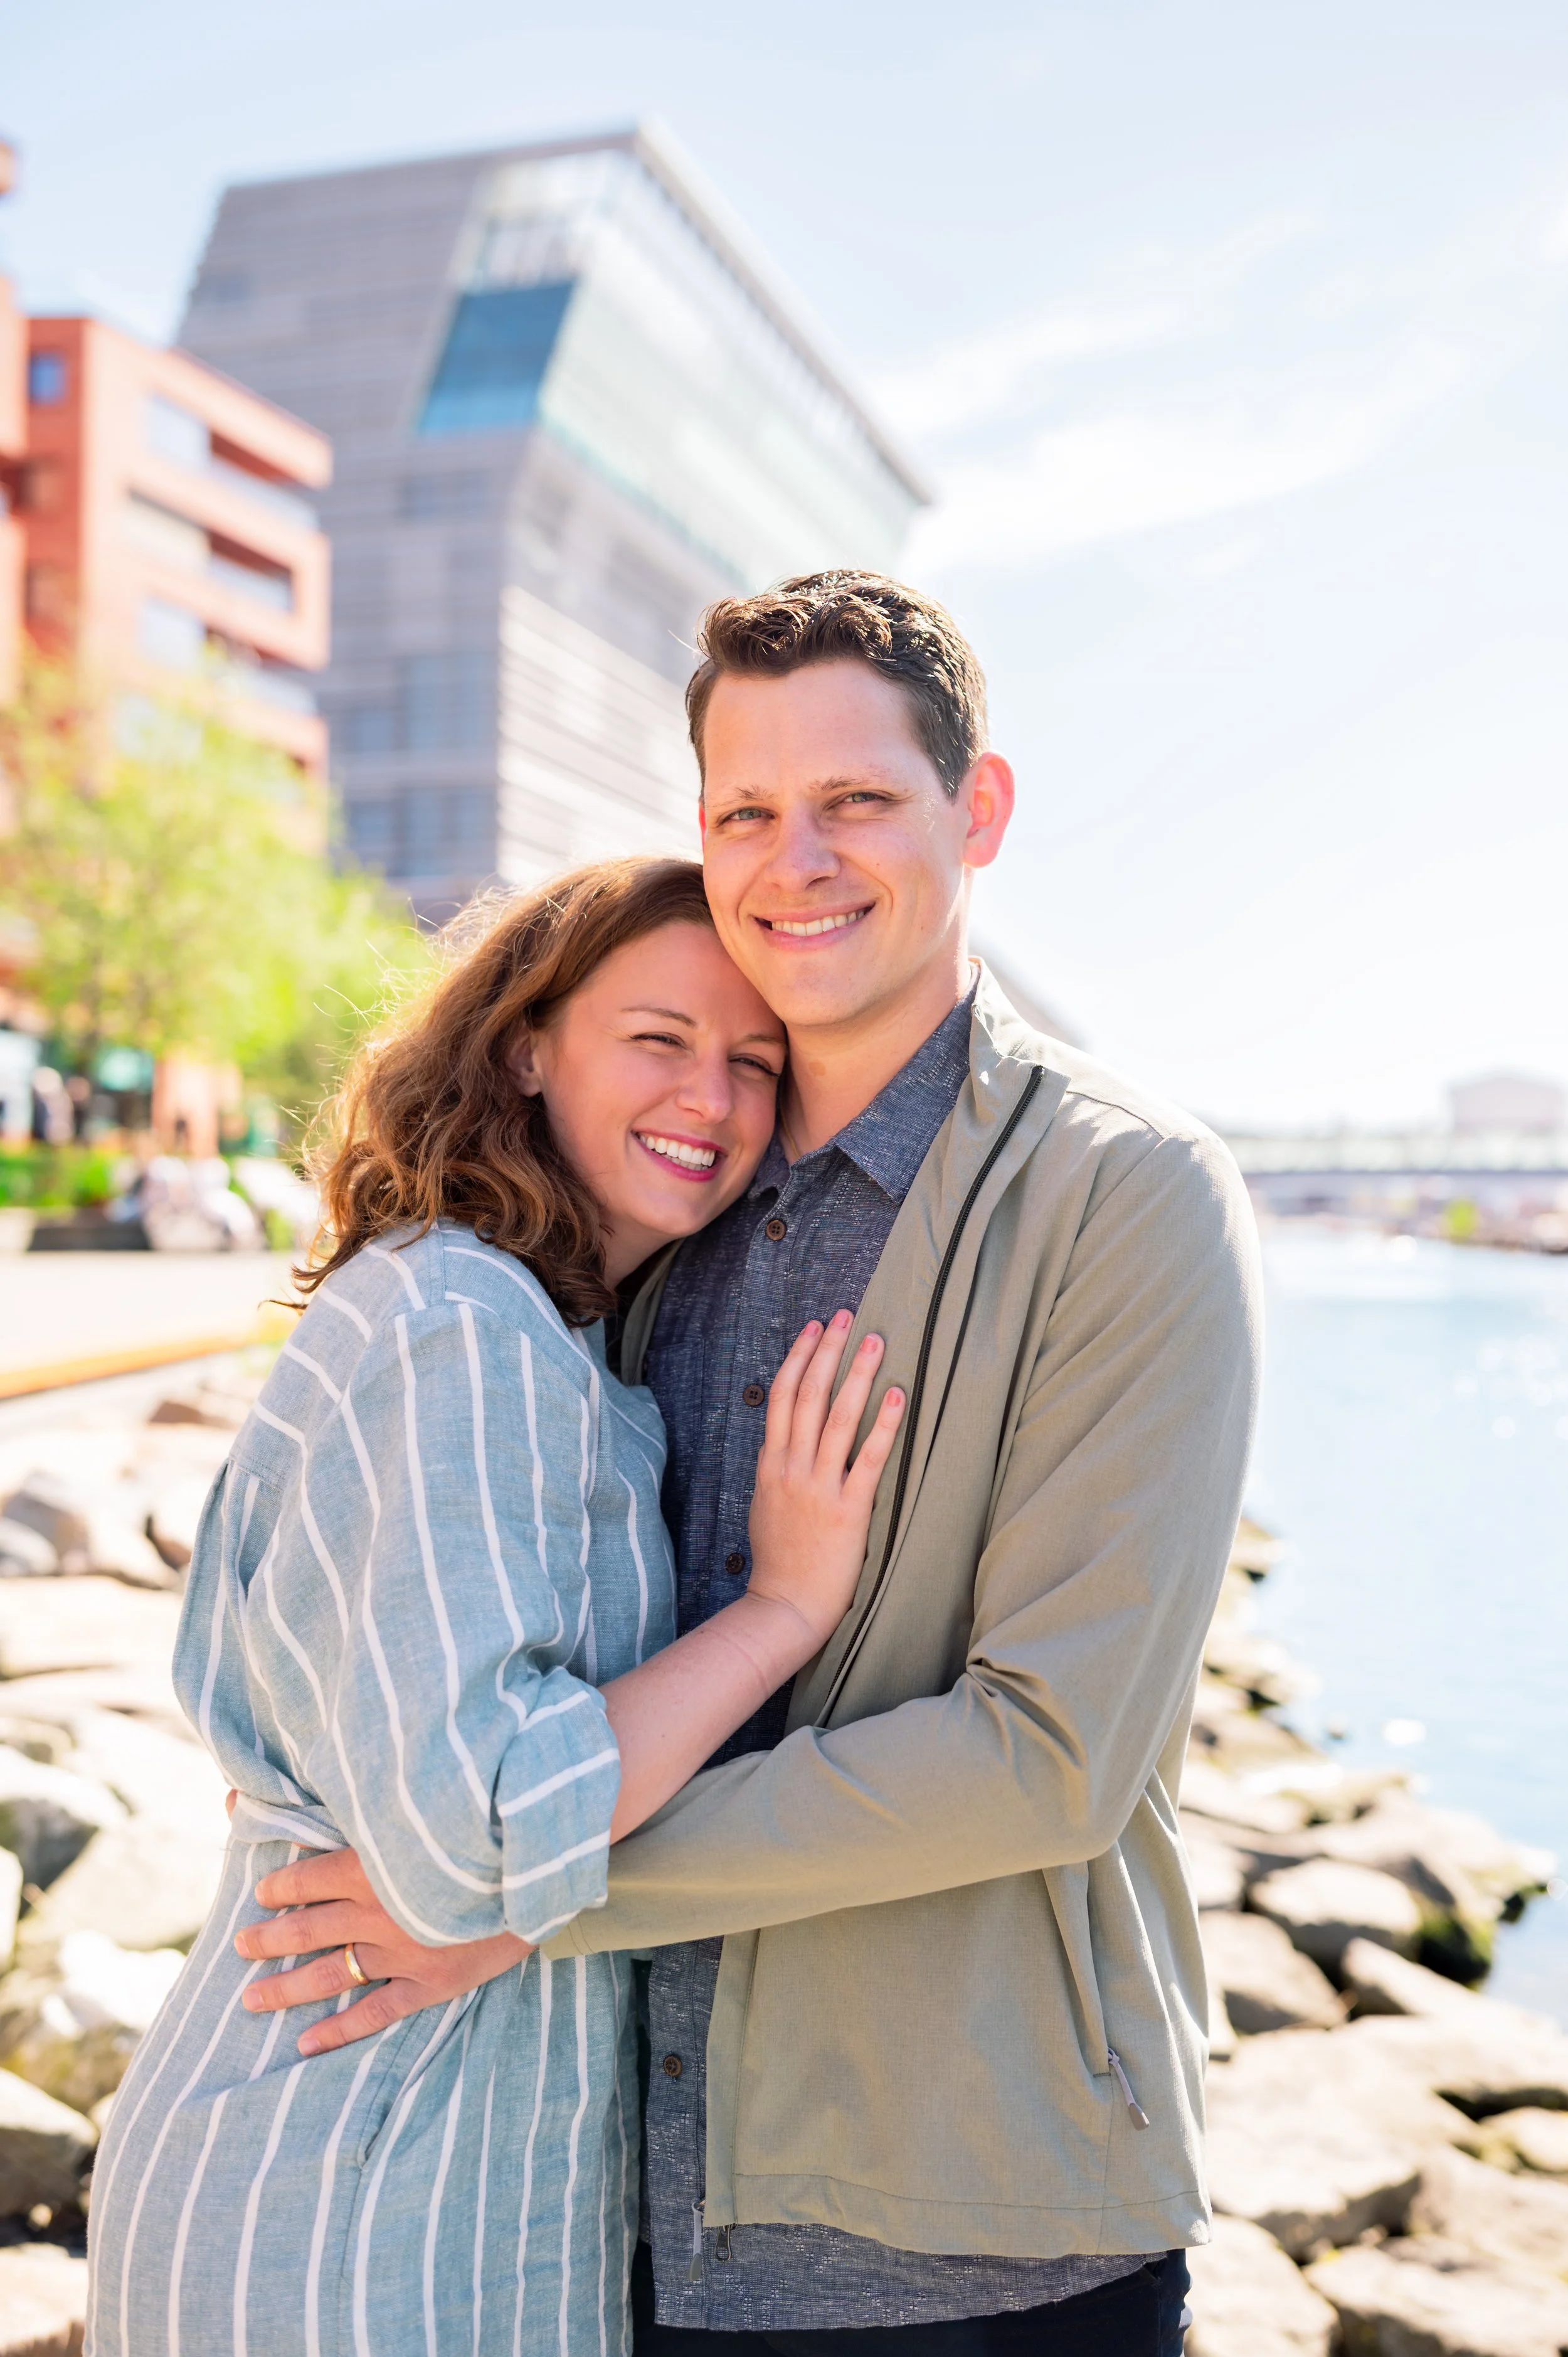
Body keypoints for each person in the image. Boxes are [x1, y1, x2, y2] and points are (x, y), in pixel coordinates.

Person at [227, 573, 1262, 2357]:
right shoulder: (660, 1194)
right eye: (745, 813)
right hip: (618, 2221)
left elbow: (1052, 1754)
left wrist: (513, 1895)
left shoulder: (1124, 1194)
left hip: (976, 2246)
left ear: (977, 809)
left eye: (857, 800)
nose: (799, 859)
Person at [85, 856, 906, 2357]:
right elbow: (472, 1837)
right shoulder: (462, 1324)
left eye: (751, 1061)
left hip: (433, 2179)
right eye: (657, 1039)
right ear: (528, 1045)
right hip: (349, 2197)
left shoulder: (530, 1334)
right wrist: (783, 1609)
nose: (709, 1099)